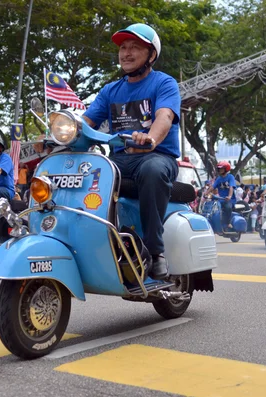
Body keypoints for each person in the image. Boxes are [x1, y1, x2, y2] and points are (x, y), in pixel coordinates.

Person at [82, 23, 181, 279]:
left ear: (151, 54)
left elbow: (165, 116)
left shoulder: (164, 83)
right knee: (87, 171)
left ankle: (155, 252)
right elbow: (86, 123)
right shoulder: (110, 90)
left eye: (134, 47)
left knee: (152, 169)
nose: (126, 53)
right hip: (120, 161)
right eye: (123, 48)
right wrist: (60, 136)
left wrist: (150, 138)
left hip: (157, 157)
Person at [212, 161, 236, 231]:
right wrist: (206, 193)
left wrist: (229, 196)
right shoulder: (219, 178)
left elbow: (231, 187)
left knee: (228, 207)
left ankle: (228, 223)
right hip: (220, 199)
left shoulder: (230, 177)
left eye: (221, 169)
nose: (219, 170)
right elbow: (213, 187)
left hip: (230, 200)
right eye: (219, 169)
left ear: (226, 169)